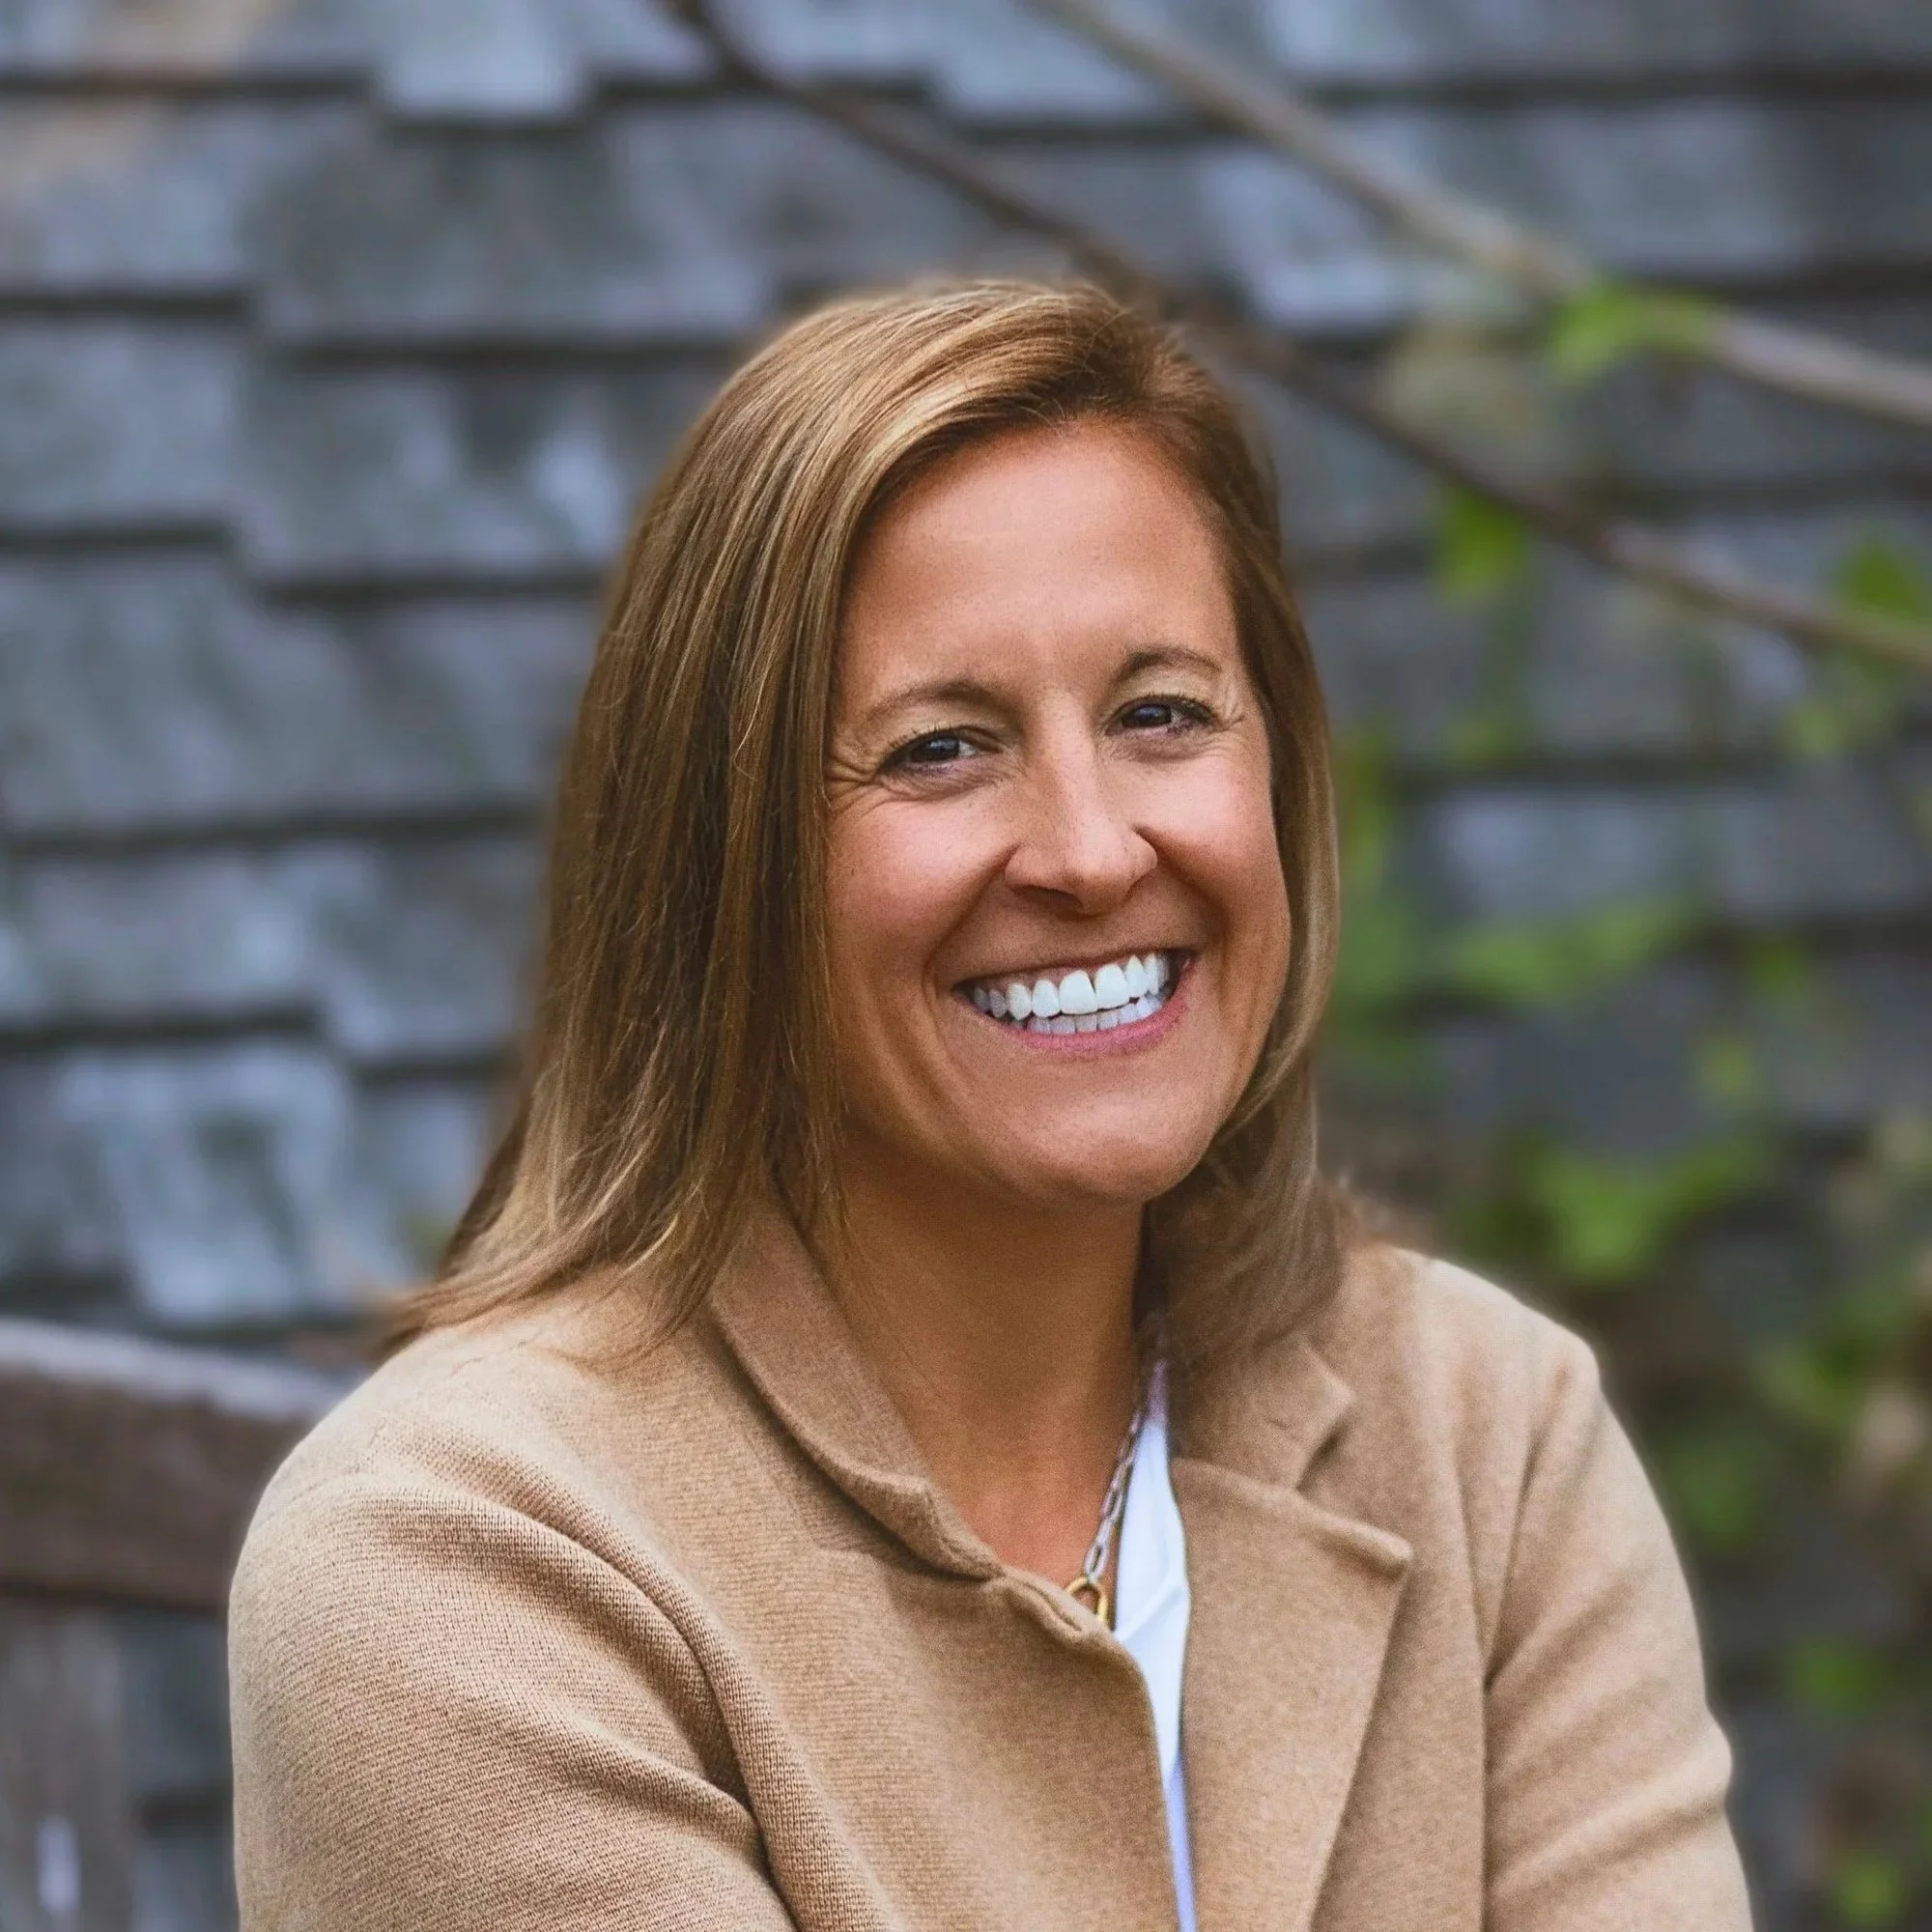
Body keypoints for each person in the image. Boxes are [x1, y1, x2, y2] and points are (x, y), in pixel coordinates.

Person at [228, 280, 1752, 1931]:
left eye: (1160, 714)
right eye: (943, 750)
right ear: (718, 861)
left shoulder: (1482, 1436)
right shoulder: (460, 1565)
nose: (1094, 851)